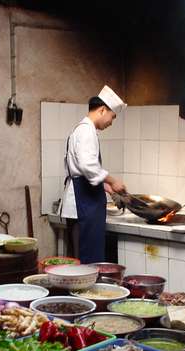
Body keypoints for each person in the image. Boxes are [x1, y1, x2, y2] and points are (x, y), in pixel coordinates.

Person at [60, 86, 127, 263]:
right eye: (112, 117)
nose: (111, 122)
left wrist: (106, 187)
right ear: (102, 110)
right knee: (85, 261)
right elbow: (87, 165)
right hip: (83, 205)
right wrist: (113, 181)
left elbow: (84, 170)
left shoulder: (85, 130)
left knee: (89, 258)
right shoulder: (86, 130)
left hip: (86, 201)